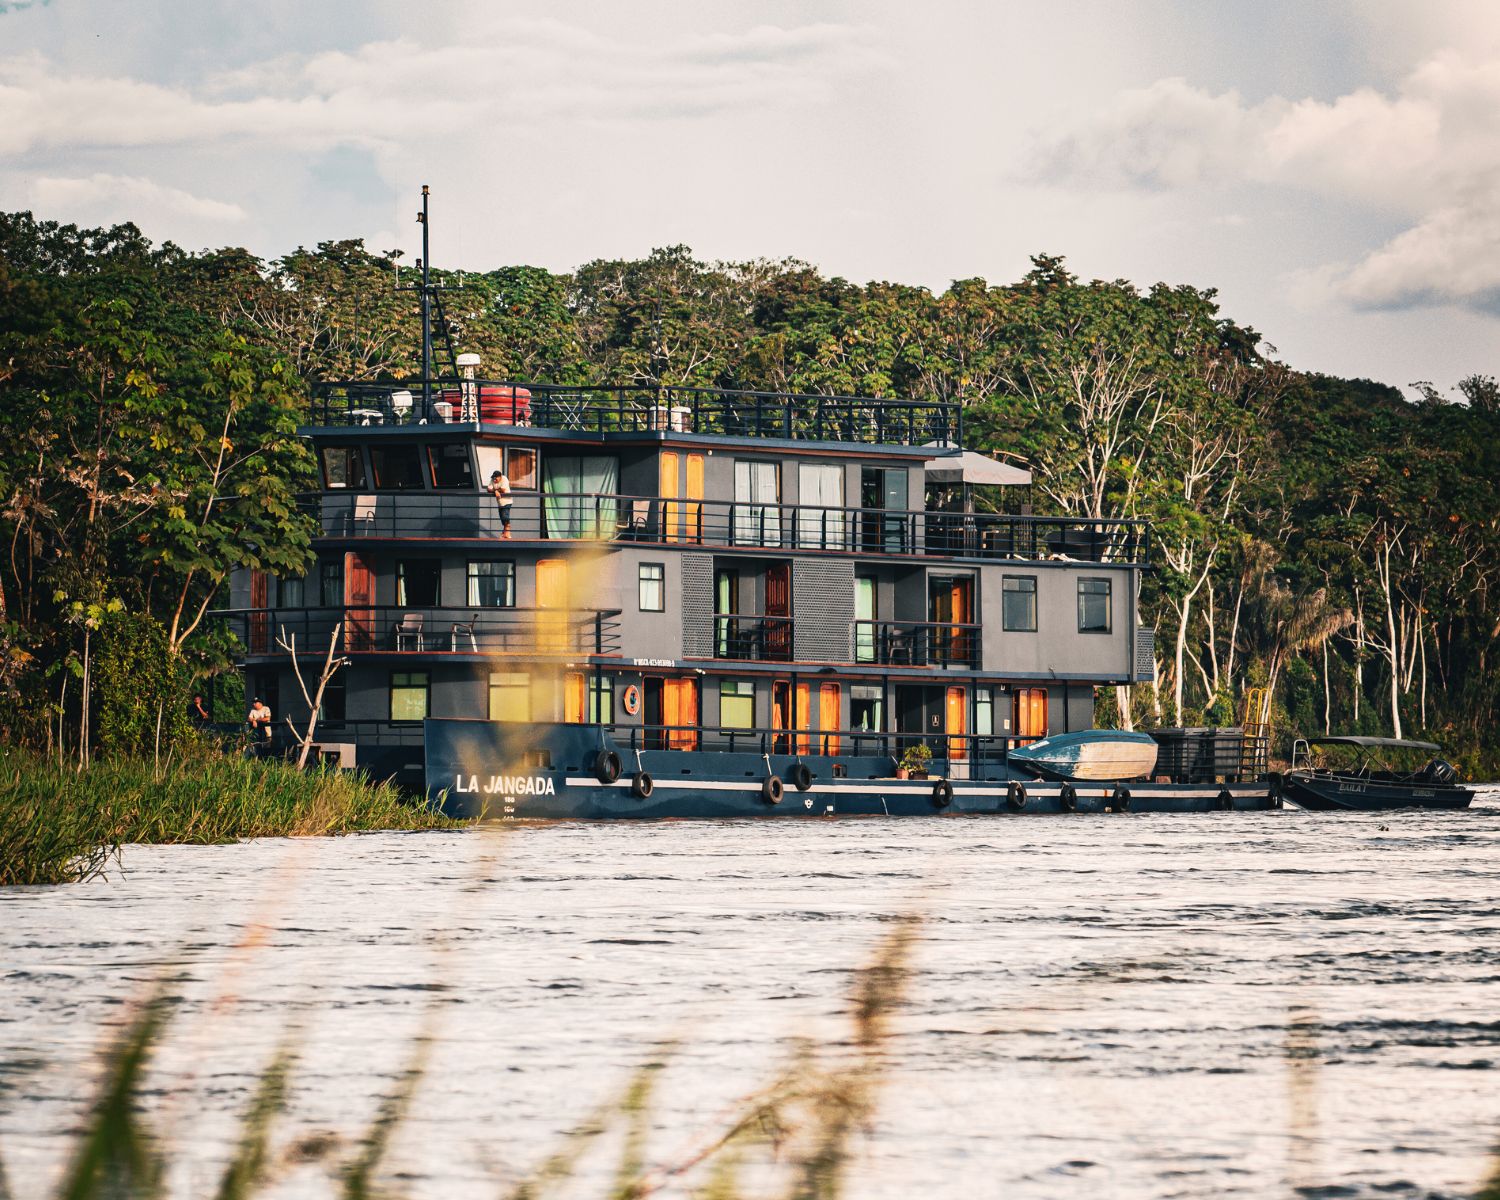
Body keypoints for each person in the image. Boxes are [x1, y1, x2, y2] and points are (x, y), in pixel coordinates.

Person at [487, 469, 513, 539]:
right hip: (500, 503)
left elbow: (503, 489)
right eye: (494, 478)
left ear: (500, 476)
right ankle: (505, 533)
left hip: (507, 501)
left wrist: (495, 490)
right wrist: (495, 491)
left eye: (496, 477)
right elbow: (488, 489)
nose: (494, 479)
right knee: (502, 519)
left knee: (505, 517)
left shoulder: (504, 479)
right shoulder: (493, 480)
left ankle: (507, 534)